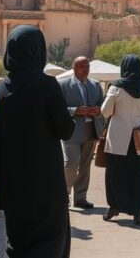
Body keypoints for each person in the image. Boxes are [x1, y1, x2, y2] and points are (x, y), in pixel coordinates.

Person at [0, 26, 75, 258]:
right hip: (46, 182)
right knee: (50, 239)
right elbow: (66, 131)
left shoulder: (2, 89)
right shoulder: (47, 85)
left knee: (18, 239)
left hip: (13, 182)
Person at [100, 54, 140, 225]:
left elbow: (105, 111)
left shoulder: (116, 87)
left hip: (118, 140)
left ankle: (114, 207)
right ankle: (137, 212)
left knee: (115, 176)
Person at [58, 56, 105, 210]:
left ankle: (80, 197)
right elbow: (56, 108)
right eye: (82, 66)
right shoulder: (63, 85)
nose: (86, 69)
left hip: (91, 129)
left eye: (87, 66)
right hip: (71, 130)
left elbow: (102, 104)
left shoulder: (95, 85)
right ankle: (63, 195)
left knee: (85, 165)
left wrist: (98, 110)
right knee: (71, 163)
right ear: (74, 68)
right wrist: (74, 111)